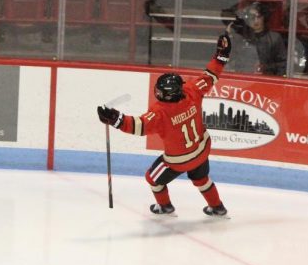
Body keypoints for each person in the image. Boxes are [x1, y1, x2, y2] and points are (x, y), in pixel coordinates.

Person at [96, 30, 231, 217]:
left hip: (178, 160)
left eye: (159, 92)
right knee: (201, 178)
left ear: (166, 95)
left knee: (152, 178)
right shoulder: (192, 91)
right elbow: (211, 75)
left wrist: (115, 119)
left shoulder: (160, 112)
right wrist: (221, 56)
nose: (157, 93)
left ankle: (165, 206)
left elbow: (138, 126)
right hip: (201, 149)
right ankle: (217, 207)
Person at [227, 1, 288, 76]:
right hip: (244, 79)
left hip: (267, 81)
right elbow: (231, 60)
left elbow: (282, 64)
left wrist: (266, 68)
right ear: (248, 19)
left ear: (264, 17)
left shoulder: (275, 38)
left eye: (259, 17)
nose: (256, 21)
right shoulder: (240, 38)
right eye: (252, 17)